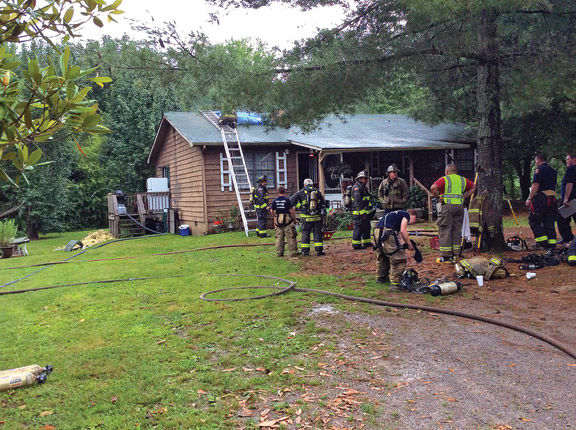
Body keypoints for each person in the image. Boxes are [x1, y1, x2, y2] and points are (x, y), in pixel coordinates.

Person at [430, 164, 476, 263]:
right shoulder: (463, 180)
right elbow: (473, 187)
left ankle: (446, 256)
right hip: (459, 207)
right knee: (457, 230)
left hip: (447, 207)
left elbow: (433, 188)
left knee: (445, 229)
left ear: (447, 171)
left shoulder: (444, 179)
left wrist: (438, 198)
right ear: (456, 171)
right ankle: (456, 254)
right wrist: (464, 196)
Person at [373, 209, 417, 289]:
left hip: (377, 231)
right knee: (398, 258)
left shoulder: (396, 216)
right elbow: (403, 231)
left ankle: (381, 278)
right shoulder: (406, 215)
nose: (414, 222)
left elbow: (400, 237)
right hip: (387, 232)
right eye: (415, 219)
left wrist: (405, 248)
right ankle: (396, 283)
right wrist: (409, 244)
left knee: (383, 254)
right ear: (412, 215)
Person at [526, 153, 557, 253]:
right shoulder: (553, 171)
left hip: (542, 198)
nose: (536, 163)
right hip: (552, 198)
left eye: (536, 161)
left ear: (539, 160)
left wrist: (530, 198)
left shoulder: (539, 170)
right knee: (549, 221)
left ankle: (542, 243)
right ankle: (552, 244)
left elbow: (536, 184)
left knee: (534, 220)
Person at [290, 178, 328, 256]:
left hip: (305, 218)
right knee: (317, 234)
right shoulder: (317, 191)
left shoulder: (300, 192)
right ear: (312, 184)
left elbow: (291, 200)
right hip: (317, 218)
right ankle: (319, 251)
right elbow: (323, 204)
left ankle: (305, 251)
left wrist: (300, 206)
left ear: (304, 185)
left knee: (305, 234)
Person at [270, 186, 298, 258]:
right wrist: (294, 219)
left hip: (279, 220)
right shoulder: (287, 200)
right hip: (287, 221)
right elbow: (291, 211)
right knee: (291, 236)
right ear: (284, 191)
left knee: (279, 237)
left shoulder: (275, 201)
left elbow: (271, 210)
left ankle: (279, 253)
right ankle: (293, 253)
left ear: (278, 191)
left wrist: (274, 216)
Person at [351, 170, 373, 250]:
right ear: (359, 179)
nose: (365, 180)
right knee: (358, 228)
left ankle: (367, 242)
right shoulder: (357, 188)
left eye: (366, 179)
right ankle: (356, 245)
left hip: (365, 213)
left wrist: (370, 210)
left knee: (367, 227)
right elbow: (358, 202)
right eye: (363, 178)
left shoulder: (364, 187)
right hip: (359, 214)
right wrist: (362, 213)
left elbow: (367, 201)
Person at [557, 153, 576, 244]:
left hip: (571, 200)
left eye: (568, 159)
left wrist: (566, 199)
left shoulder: (571, 169)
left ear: (574, 159)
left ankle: (568, 238)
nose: (566, 161)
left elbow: (569, 184)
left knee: (561, 218)